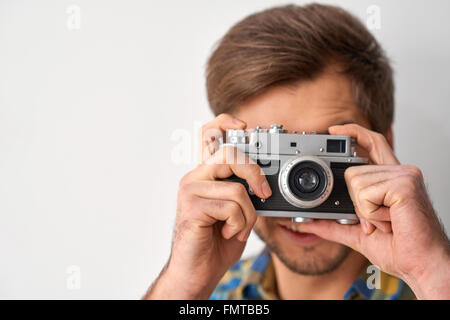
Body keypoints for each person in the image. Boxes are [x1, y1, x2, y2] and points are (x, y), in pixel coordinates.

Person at [145, 4, 450, 300]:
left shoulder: (436, 284)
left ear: (384, 145)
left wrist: (430, 273)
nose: (302, 194)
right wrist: (184, 286)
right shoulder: (211, 295)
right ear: (227, 156)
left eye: (327, 151)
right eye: (267, 153)